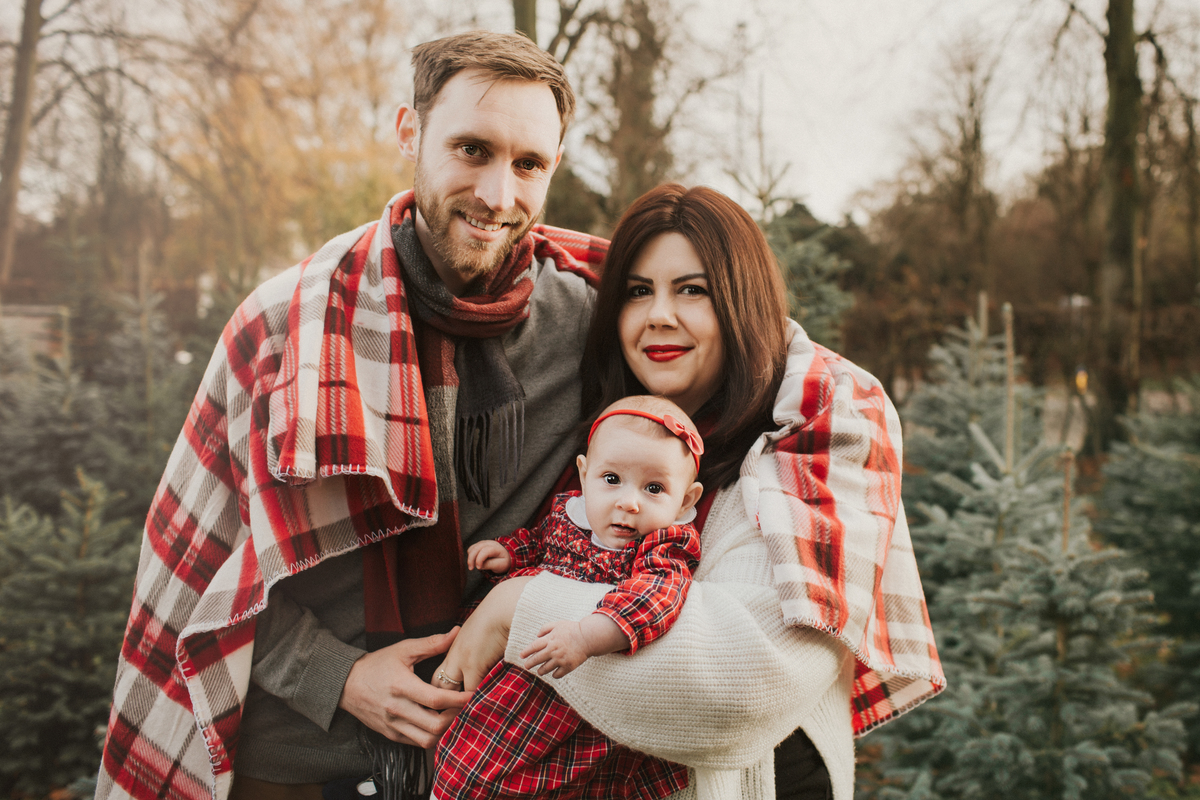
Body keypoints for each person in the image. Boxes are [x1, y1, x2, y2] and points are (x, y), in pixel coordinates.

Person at [96, 31, 608, 800]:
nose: (499, 195)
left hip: (495, 761)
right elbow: (200, 574)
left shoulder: (592, 325)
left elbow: (748, 354)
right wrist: (338, 676)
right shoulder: (286, 328)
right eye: (471, 149)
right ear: (410, 131)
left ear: (554, 166)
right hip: (297, 759)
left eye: (528, 164)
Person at [437, 184, 947, 800]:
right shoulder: (616, 430)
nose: (658, 315)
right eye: (637, 291)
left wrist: (515, 609)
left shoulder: (815, 428)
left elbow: (744, 685)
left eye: (692, 290)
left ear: (740, 301)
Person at [433, 396, 705, 800]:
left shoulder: (664, 546)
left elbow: (656, 597)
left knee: (521, 777)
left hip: (567, 690)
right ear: (584, 473)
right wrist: (510, 552)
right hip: (514, 664)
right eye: (611, 479)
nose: (628, 502)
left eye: (654, 488)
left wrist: (585, 636)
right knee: (462, 754)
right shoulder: (571, 513)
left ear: (685, 500)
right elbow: (543, 542)